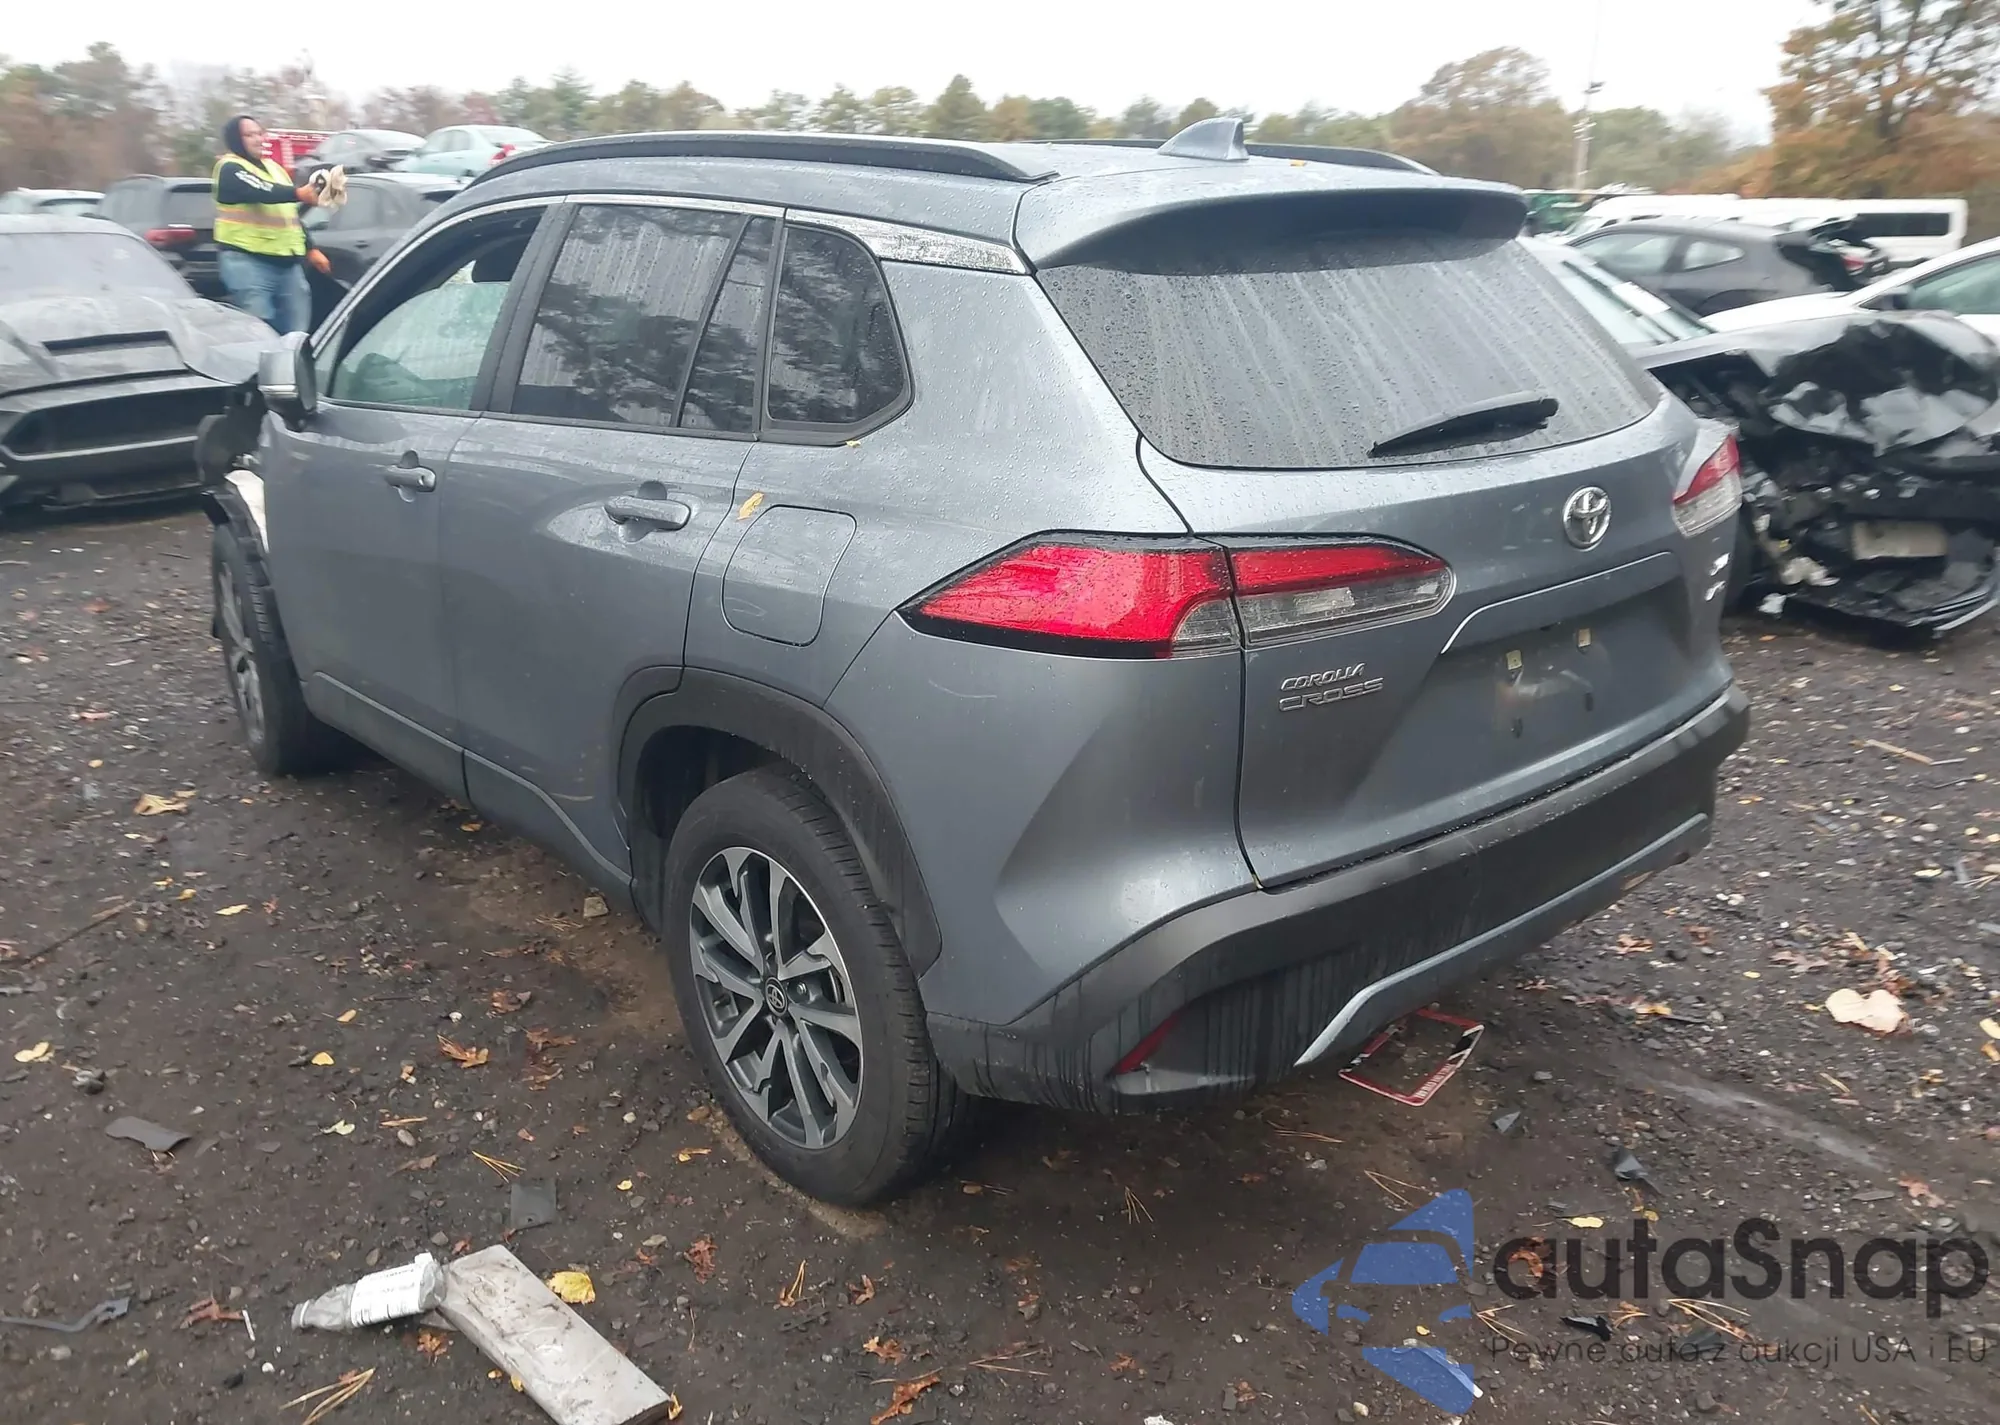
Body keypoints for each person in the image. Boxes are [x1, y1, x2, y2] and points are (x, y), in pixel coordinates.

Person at [212, 115, 331, 334]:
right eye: (249, 135)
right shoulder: (229, 168)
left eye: (260, 133)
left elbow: (289, 215)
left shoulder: (274, 168)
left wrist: (311, 248)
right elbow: (261, 190)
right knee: (260, 330)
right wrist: (299, 193)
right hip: (249, 262)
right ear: (236, 140)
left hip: (287, 265)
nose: (258, 139)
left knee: (297, 330)